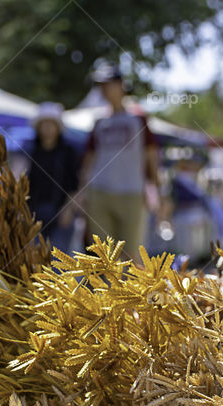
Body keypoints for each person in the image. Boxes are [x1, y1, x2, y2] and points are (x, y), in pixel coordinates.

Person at [76, 63, 160, 261]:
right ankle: (106, 292)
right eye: (102, 86)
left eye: (109, 84)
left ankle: (130, 293)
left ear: (122, 85)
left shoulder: (138, 119)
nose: (105, 90)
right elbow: (89, 160)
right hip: (100, 192)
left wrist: (158, 190)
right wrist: (81, 192)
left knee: (131, 256)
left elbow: (151, 156)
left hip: (131, 193)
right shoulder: (98, 122)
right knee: (104, 256)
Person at [19, 102, 80, 254]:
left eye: (51, 124)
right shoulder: (29, 150)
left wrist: (68, 209)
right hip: (33, 216)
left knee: (59, 263)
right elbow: (21, 180)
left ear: (58, 127)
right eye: (43, 124)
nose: (47, 128)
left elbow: (76, 184)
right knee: (33, 262)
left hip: (61, 215)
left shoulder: (69, 152)